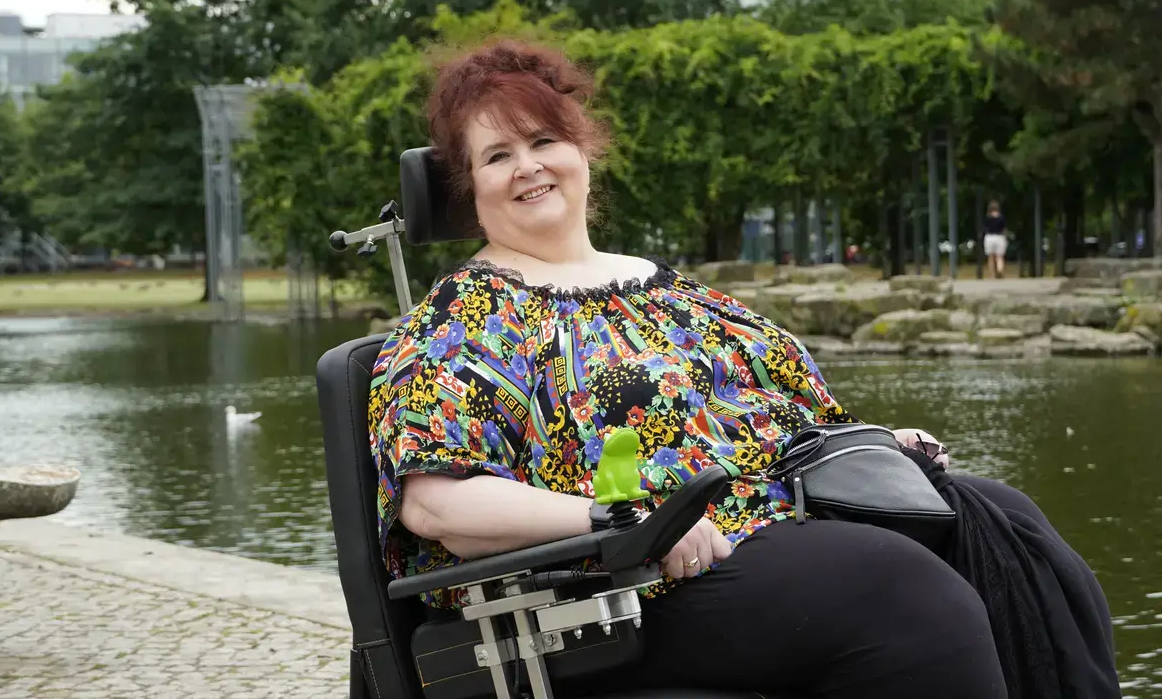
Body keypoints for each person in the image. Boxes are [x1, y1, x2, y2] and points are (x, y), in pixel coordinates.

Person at [368, 40, 1110, 698]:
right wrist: (627, 521)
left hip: (767, 520)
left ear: (582, 148)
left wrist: (877, 444)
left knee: (1007, 528)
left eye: (543, 140)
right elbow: (437, 507)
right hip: (623, 583)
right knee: (905, 594)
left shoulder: (662, 287)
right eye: (497, 156)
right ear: (468, 185)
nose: (528, 166)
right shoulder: (465, 317)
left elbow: (773, 412)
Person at [983, 200, 1007, 278]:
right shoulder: (1001, 218)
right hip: (999, 237)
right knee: (999, 256)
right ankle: (999, 270)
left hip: (989, 237)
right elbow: (1003, 229)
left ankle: (992, 274)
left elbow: (985, 228)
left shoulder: (987, 218)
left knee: (990, 257)